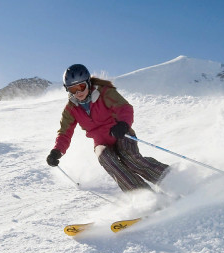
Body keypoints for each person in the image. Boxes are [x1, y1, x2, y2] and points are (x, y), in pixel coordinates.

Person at [46, 64, 170, 192]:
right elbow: (64, 132)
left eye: (81, 87)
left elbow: (124, 108)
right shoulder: (71, 109)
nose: (78, 93)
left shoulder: (104, 92)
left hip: (120, 132)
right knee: (106, 159)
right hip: (102, 142)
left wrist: (123, 124)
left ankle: (171, 179)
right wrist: (57, 151)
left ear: (88, 83)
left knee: (131, 160)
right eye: (73, 89)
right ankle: (144, 196)